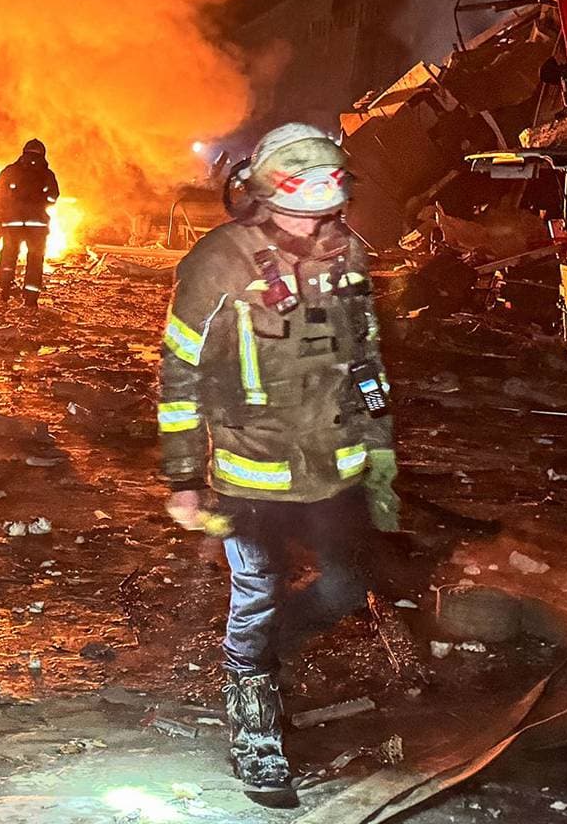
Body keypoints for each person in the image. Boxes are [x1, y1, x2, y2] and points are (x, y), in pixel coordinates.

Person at [157, 123, 399, 794]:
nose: (315, 223)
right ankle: (253, 720)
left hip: (333, 468)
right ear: (261, 196)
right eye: (300, 207)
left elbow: (365, 355)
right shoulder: (217, 262)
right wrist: (183, 474)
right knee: (257, 593)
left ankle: (253, 657)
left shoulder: (349, 253)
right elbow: (181, 373)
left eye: (326, 207)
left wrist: (378, 451)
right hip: (251, 472)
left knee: (348, 585)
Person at [0, 139, 59, 307]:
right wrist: (40, 202)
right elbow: (53, 197)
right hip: (37, 225)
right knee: (35, 259)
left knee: (9, 256)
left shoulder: (10, 171)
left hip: (12, 223)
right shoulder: (47, 174)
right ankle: (30, 298)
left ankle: (5, 289)